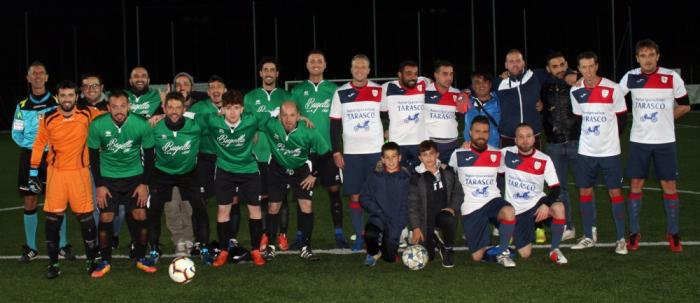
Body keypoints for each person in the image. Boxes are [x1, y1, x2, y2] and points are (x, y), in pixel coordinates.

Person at [619, 39, 691, 252]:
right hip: (639, 141)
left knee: (669, 186)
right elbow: (612, 96)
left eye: (651, 55)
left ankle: (673, 233)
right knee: (636, 185)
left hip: (665, 141)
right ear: (637, 58)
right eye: (643, 55)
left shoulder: (671, 77)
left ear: (657, 56)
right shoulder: (631, 77)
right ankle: (634, 232)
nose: (647, 59)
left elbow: (685, 105)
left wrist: (666, 118)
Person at [30, 80, 103, 278]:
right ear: (58, 97)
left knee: (87, 221)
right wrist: (33, 171)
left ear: (76, 96)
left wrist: (152, 118)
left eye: (71, 95)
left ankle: (91, 261)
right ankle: (53, 265)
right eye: (63, 96)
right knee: (53, 222)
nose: (67, 99)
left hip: (80, 173)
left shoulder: (88, 113)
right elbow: (38, 145)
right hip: (57, 175)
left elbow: (115, 115)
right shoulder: (48, 118)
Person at [194, 90, 269, 267]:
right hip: (225, 170)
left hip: (249, 170)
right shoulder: (213, 120)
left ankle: (256, 250)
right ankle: (224, 250)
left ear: (242, 109)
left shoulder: (252, 119)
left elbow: (276, 114)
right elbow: (189, 116)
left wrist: (302, 119)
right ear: (222, 109)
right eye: (228, 108)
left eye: (236, 108)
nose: (233, 112)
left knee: (255, 210)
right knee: (223, 210)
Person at [87, 90, 157, 277]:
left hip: (135, 177)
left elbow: (150, 157)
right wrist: (99, 185)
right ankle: (105, 261)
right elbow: (93, 157)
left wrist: (144, 184)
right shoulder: (97, 125)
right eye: (115, 106)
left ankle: (141, 258)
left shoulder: (141, 125)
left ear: (129, 106)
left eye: (123, 106)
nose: (119, 110)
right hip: (108, 178)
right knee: (106, 217)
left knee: (140, 213)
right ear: (108, 107)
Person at [12, 61, 74, 263]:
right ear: (28, 78)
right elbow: (16, 133)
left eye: (41, 73)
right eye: (34, 74)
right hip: (29, 157)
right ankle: (31, 247)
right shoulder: (21, 106)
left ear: (47, 77)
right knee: (30, 199)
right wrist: (33, 146)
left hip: (54, 156)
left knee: (57, 201)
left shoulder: (58, 103)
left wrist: (50, 147)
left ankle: (63, 245)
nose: (38, 76)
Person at [569, 51, 628, 255]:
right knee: (585, 192)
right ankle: (588, 236)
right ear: (579, 70)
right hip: (586, 152)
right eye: (584, 67)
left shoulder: (613, 88)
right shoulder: (575, 91)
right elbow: (578, 120)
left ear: (597, 66)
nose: (588, 71)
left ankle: (621, 238)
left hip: (610, 151)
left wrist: (611, 138)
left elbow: (622, 118)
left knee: (615, 193)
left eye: (591, 66)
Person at [292, 50, 348, 248]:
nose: (316, 63)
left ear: (325, 65)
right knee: (303, 195)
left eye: (319, 61)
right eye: (312, 61)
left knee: (334, 191)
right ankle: (300, 235)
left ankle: (339, 234)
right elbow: (290, 116)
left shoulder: (334, 90)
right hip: (305, 152)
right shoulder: (298, 91)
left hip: (329, 150)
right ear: (307, 65)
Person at [260, 101, 330, 261]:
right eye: (284, 115)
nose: (288, 119)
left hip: (300, 170)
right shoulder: (271, 125)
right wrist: (270, 114)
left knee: (306, 205)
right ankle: (270, 246)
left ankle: (305, 247)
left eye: (292, 115)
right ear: (279, 116)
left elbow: (325, 154)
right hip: (278, 168)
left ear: (298, 116)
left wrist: (315, 174)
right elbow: (253, 119)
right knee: (273, 206)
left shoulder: (309, 131)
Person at [330, 54, 385, 251]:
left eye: (363, 67)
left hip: (376, 152)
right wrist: (337, 151)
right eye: (356, 67)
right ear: (351, 69)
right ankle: (360, 235)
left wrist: (388, 135)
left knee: (376, 196)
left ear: (369, 70)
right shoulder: (341, 93)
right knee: (355, 197)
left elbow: (390, 114)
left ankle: (375, 235)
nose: (359, 70)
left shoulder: (379, 91)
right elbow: (334, 125)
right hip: (352, 154)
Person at [147, 92, 211, 263]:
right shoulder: (154, 127)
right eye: (170, 107)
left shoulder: (195, 125)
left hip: (188, 173)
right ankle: (156, 248)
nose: (174, 111)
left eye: (178, 107)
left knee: (197, 208)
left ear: (184, 109)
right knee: (159, 210)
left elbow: (216, 117)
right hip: (163, 174)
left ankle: (202, 246)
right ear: (164, 108)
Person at [449, 116, 517, 268]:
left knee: (509, 211)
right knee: (477, 257)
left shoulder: (497, 154)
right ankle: (492, 245)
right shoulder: (458, 154)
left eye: (485, 132)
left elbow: (511, 171)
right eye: (478, 131)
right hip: (471, 206)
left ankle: (503, 251)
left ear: (489, 133)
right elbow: (448, 175)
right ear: (470, 132)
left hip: (492, 200)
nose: (481, 135)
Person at [499, 123, 568, 264]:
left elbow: (555, 188)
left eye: (528, 136)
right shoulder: (505, 154)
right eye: (521, 137)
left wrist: (545, 205)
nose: (525, 140)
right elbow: (485, 155)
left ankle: (555, 250)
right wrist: (466, 145)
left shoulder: (544, 159)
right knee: (525, 254)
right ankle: (512, 229)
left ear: (534, 139)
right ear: (516, 140)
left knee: (559, 208)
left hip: (536, 204)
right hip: (516, 211)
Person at [244, 57, 293, 251]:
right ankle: (265, 234)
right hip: (258, 155)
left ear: (277, 74)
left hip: (281, 154)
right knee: (262, 198)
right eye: (266, 70)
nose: (269, 73)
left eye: (272, 69)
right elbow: (245, 121)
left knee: (282, 199)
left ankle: (282, 235)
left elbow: (292, 122)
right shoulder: (250, 97)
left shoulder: (286, 97)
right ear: (261, 73)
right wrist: (252, 131)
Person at [539, 51, 580, 242]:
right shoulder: (543, 87)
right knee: (560, 188)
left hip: (578, 141)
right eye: (554, 66)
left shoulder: (576, 82)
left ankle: (591, 228)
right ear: (548, 69)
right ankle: (567, 226)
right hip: (554, 144)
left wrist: (575, 74)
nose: (560, 69)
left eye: (562, 65)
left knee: (585, 187)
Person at [407, 140, 462, 268]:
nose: (429, 158)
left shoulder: (447, 171)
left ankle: (447, 249)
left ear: (437, 154)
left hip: (443, 213)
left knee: (449, 218)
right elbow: (413, 204)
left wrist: (453, 207)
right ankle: (433, 237)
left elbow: (458, 191)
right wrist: (416, 227)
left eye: (431, 154)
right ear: (420, 158)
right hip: (425, 218)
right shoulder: (416, 177)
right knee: (428, 256)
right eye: (425, 155)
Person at [361, 142, 411, 266]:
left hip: (396, 221)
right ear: (382, 159)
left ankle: (397, 236)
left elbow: (410, 203)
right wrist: (377, 211)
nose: (391, 160)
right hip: (379, 217)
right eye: (387, 157)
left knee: (389, 258)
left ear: (399, 157)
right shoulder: (375, 177)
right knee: (370, 234)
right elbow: (364, 197)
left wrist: (402, 223)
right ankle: (373, 252)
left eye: (394, 156)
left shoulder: (406, 178)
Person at [381, 60, 428, 169]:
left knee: (419, 179)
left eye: (415, 74)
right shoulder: (387, 88)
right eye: (408, 73)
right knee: (397, 178)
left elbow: (440, 85)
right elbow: (375, 111)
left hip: (420, 143)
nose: (413, 77)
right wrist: (384, 130)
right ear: (399, 75)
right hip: (397, 143)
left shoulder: (424, 82)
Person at [495, 49, 543, 148]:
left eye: (518, 61)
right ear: (506, 65)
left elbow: (556, 74)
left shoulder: (534, 76)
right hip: (508, 136)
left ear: (523, 63)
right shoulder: (499, 82)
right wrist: (465, 93)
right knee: (507, 164)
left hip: (532, 135)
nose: (515, 64)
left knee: (534, 163)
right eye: (511, 61)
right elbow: (478, 86)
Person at [423, 60, 462, 164]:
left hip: (452, 145)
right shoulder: (424, 92)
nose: (449, 78)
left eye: (451, 74)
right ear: (436, 75)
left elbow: (463, 114)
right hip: (431, 145)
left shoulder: (457, 93)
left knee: (451, 177)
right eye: (445, 74)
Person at [465, 71, 501, 148]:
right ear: (472, 85)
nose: (481, 85)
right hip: (469, 148)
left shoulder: (500, 101)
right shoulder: (465, 100)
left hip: (492, 148)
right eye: (477, 82)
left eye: (485, 81)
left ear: (490, 84)